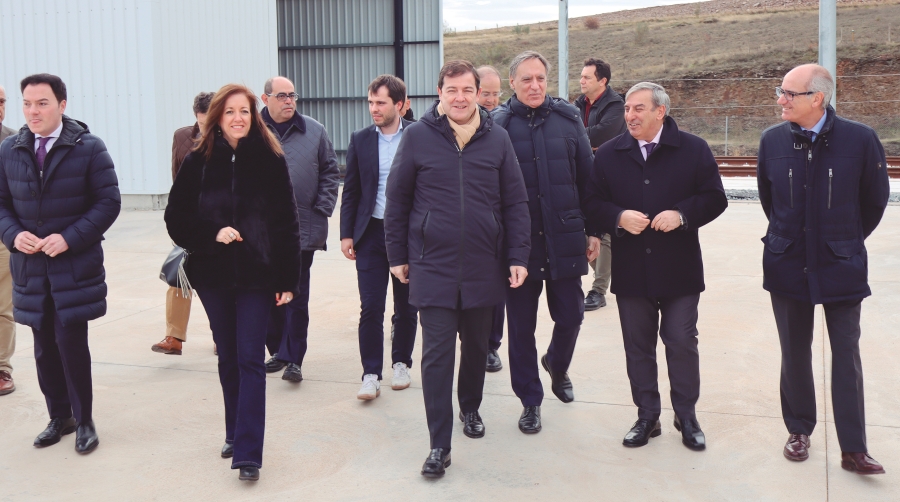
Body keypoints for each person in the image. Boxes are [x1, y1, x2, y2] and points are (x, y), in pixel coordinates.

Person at [384, 60, 530, 478]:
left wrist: (517, 256)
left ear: (478, 91)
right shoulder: (416, 138)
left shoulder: (497, 139)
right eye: (452, 90)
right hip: (433, 265)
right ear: (440, 93)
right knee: (435, 357)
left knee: (476, 350)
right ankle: (438, 445)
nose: (461, 97)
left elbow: (516, 203)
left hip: (485, 265)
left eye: (468, 89)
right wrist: (397, 255)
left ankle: (470, 408)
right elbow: (397, 201)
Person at [757, 64, 890, 474]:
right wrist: (795, 237)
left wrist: (840, 239)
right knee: (794, 352)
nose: (780, 99)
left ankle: (854, 448)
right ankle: (799, 430)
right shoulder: (772, 141)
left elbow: (874, 201)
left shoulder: (861, 140)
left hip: (841, 264)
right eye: (780, 91)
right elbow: (769, 199)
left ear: (817, 98)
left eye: (788, 93)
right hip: (787, 262)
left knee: (845, 353)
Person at [165, 84, 301, 482]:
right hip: (214, 275)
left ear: (254, 115)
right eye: (230, 112)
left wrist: (287, 279)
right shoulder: (197, 161)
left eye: (245, 111)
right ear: (217, 118)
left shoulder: (271, 159)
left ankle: (248, 452)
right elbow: (176, 218)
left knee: (249, 358)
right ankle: (232, 430)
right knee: (227, 356)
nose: (239, 118)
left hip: (259, 276)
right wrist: (212, 233)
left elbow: (287, 222)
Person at [584, 82, 727, 452]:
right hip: (632, 270)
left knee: (681, 342)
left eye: (638, 109)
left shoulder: (693, 149)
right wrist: (617, 216)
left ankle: (687, 414)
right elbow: (591, 202)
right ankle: (647, 415)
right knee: (638, 346)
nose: (629, 115)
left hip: (679, 270)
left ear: (660, 112)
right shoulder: (610, 154)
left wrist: (682, 215)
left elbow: (715, 198)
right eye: (628, 109)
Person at [0, 73, 121, 453]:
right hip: (30, 268)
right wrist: (12, 235)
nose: (33, 112)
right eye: (27, 104)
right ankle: (59, 417)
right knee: (42, 347)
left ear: (62, 105)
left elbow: (108, 203)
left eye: (42, 103)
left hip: (73, 267)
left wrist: (69, 237)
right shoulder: (9, 149)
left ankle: (84, 420)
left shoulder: (89, 147)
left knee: (70, 343)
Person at [492, 51, 596, 434]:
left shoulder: (569, 120)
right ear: (512, 83)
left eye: (540, 79)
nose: (534, 86)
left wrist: (594, 231)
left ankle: (557, 362)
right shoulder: (498, 125)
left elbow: (589, 180)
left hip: (565, 236)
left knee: (572, 315)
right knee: (521, 328)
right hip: (518, 246)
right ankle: (530, 401)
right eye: (526, 80)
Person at [341, 75, 419, 399]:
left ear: (399, 104)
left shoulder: (418, 136)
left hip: (408, 234)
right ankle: (371, 373)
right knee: (371, 306)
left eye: (381, 103)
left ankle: (401, 362)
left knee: (406, 306)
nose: (374, 108)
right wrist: (347, 234)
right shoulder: (360, 139)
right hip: (371, 233)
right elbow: (352, 190)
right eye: (371, 102)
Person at [260, 76, 339, 383]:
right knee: (267, 295)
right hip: (261, 232)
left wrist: (322, 207)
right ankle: (279, 349)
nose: (289, 101)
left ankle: (294, 358)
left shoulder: (314, 131)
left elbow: (331, 171)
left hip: (302, 228)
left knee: (296, 294)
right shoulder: (253, 131)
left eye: (292, 95)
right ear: (265, 99)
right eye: (282, 96)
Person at [152, 91, 215, 356]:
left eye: (209, 122)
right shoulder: (181, 137)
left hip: (220, 222)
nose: (205, 128)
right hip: (189, 221)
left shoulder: (236, 138)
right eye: (201, 122)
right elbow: (177, 176)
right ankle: (174, 337)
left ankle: (222, 336)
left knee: (216, 283)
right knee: (179, 276)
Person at [574, 58, 627, 312]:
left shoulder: (616, 104)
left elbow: (603, 134)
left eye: (587, 77)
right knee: (588, 232)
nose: (581, 81)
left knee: (603, 231)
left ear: (602, 81)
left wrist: (581, 135)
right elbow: (570, 130)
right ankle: (612, 274)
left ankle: (598, 290)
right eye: (581, 76)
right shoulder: (578, 103)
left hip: (611, 173)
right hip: (585, 171)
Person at [475, 65, 507, 373]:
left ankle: (491, 346)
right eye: (486, 93)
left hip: (496, 224)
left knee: (496, 291)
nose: (491, 100)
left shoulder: (503, 125)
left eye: (496, 93)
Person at [0, 84, 16, 396]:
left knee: (2, 307)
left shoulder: (15, 142)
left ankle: (1, 368)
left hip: (2, 237)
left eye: (1, 100)